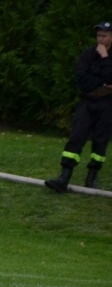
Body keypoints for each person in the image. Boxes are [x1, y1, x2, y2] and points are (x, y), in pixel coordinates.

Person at [44, 21, 112, 192]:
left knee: (100, 142)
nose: (101, 39)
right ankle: (64, 177)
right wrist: (102, 82)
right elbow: (82, 81)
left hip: (107, 104)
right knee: (77, 136)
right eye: (98, 36)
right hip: (87, 102)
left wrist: (105, 58)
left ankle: (92, 177)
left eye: (104, 36)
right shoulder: (88, 54)